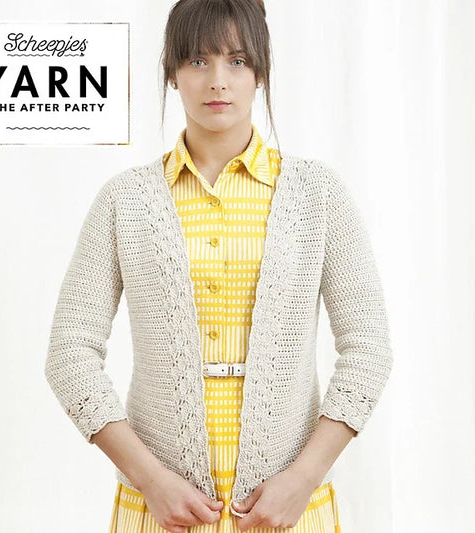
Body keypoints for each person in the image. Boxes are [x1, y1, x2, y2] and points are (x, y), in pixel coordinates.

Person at [44, 1, 393, 532]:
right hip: (158, 511)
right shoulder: (124, 200)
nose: (218, 81)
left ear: (261, 73)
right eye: (198, 61)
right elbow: (69, 355)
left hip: (290, 510)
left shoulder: (317, 196)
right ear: (172, 72)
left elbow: (368, 349)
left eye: (237, 60)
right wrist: (148, 478)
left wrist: (304, 477)